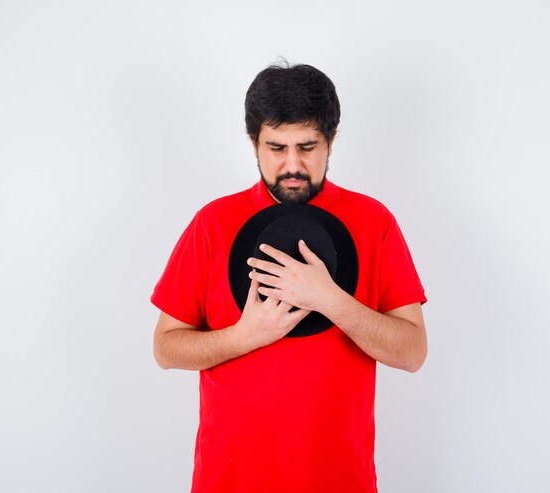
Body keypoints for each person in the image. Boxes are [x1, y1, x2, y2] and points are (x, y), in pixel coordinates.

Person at [151, 61, 428, 493]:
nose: (293, 165)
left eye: (308, 146)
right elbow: (166, 347)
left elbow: (412, 352)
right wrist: (245, 336)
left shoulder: (374, 222)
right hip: (229, 481)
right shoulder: (212, 223)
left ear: (331, 142)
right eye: (277, 148)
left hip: (340, 481)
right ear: (254, 143)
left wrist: (329, 298)